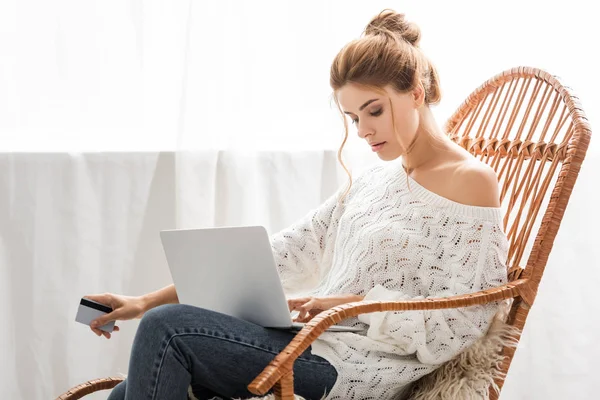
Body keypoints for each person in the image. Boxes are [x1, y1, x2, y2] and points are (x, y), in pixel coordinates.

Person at [85, 9, 508, 400]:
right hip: (308, 342)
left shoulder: (469, 181)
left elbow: (460, 321)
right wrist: (143, 301)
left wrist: (353, 304)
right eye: (353, 118)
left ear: (416, 93)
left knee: (168, 330)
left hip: (348, 368)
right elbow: (279, 254)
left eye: (373, 110)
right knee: (131, 386)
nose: (362, 130)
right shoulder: (375, 181)